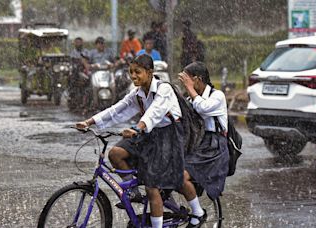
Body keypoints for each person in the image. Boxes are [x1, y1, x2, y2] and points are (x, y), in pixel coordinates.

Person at [76, 54, 186, 228]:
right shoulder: (138, 93)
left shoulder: (164, 89)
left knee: (152, 187)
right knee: (116, 153)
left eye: (138, 72)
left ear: (150, 72)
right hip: (149, 134)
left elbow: (155, 112)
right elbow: (117, 109)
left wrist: (138, 128)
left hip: (169, 136)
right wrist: (89, 122)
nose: (133, 76)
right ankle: (133, 192)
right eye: (131, 72)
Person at [178, 61, 229, 227]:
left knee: (181, 175)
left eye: (187, 81)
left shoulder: (217, 96)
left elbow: (203, 108)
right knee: (167, 169)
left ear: (197, 80)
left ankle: (198, 213)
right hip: (197, 144)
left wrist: (190, 90)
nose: (185, 85)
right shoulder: (191, 97)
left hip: (213, 146)